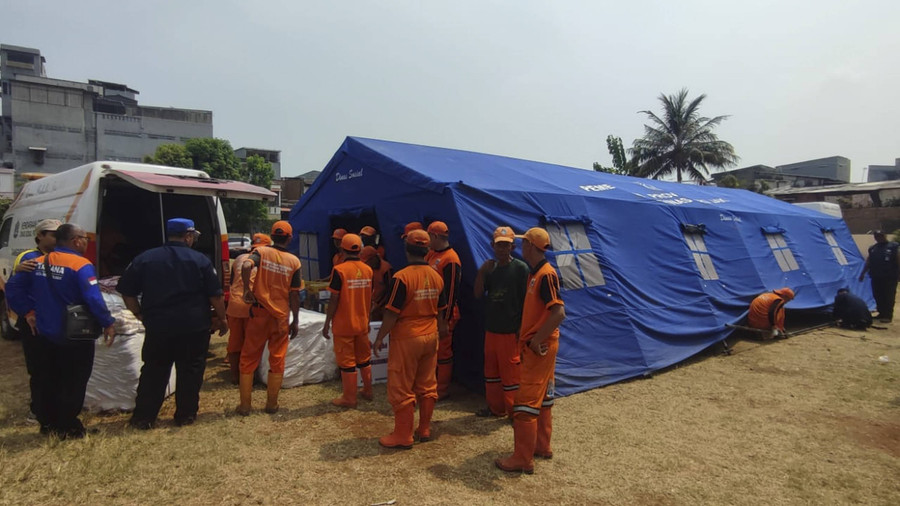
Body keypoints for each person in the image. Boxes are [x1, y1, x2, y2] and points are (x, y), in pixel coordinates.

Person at [6, 223, 116, 438]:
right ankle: (68, 426)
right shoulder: (81, 265)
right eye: (86, 239)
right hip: (74, 334)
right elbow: (93, 298)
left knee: (47, 378)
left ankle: (47, 424)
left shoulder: (35, 263)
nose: (87, 242)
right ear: (76, 240)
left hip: (43, 334)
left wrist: (27, 311)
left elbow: (12, 288)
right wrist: (107, 322)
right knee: (73, 379)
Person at [117, 218, 228, 429]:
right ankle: (185, 416)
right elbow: (216, 296)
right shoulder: (201, 260)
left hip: (159, 327)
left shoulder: (145, 259)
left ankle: (144, 418)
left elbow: (127, 291)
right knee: (191, 371)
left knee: (153, 372)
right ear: (188, 236)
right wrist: (222, 319)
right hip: (193, 327)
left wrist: (138, 313)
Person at [495, 227, 565, 474]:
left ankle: (522, 458)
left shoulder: (545, 275)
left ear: (532, 247)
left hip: (539, 348)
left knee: (525, 404)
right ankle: (541, 446)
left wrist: (536, 340)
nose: (521, 247)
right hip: (542, 345)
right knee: (543, 399)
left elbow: (559, 312)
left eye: (524, 243)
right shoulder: (537, 274)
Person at [373, 229, 448, 449]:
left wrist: (379, 338)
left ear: (407, 249)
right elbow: (442, 309)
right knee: (427, 385)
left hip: (407, 336)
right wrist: (441, 329)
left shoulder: (402, 277)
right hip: (430, 334)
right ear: (427, 250)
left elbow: (391, 312)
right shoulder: (436, 276)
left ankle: (403, 435)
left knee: (401, 385)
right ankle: (424, 429)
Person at [237, 220, 302, 415]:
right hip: (280, 317)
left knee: (248, 358)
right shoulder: (294, 262)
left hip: (259, 313)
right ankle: (272, 404)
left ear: (272, 236)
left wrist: (247, 289)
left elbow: (247, 265)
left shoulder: (262, 253)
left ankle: (245, 406)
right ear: (289, 238)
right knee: (277, 359)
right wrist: (295, 320)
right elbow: (294, 294)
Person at [473, 226, 529, 417]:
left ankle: (514, 412)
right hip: (492, 329)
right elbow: (478, 293)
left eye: (506, 245)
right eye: (499, 245)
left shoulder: (521, 269)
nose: (502, 249)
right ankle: (495, 408)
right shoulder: (490, 268)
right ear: (492, 246)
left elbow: (527, 302)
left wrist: (522, 328)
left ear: (513, 247)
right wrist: (481, 272)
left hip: (510, 331)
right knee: (492, 374)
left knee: (511, 375)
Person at [322, 233, 374, 407]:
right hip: (362, 323)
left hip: (344, 324)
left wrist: (327, 320)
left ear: (342, 249)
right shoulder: (368, 270)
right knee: (364, 359)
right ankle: (367, 390)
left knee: (347, 363)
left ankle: (349, 398)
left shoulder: (340, 270)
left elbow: (334, 299)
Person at [225, 233, 272, 384]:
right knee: (250, 342)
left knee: (234, 341)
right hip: (251, 305)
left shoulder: (239, 259)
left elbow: (233, 281)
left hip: (234, 304)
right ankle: (248, 376)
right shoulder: (264, 260)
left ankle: (234, 376)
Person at [425, 221, 462, 399]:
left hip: (445, 314)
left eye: (429, 236)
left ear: (436, 236)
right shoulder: (430, 254)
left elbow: (452, 291)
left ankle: (442, 389)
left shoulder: (451, 259)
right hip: (430, 312)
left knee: (443, 352)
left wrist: (445, 320)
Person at [858, 230, 899, 323]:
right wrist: (862, 273)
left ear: (885, 235)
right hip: (876, 276)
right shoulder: (873, 248)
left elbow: (898, 259)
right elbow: (868, 261)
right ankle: (881, 313)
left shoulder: (893, 246)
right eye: (876, 236)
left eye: (880, 235)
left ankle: (888, 315)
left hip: (889, 276)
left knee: (888, 296)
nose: (879, 237)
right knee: (878, 295)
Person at [361, 245, 392, 321]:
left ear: (373, 258)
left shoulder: (386, 269)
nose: (366, 264)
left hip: (384, 307)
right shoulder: (367, 270)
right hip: (372, 305)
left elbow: (390, 292)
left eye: (367, 262)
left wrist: (379, 305)